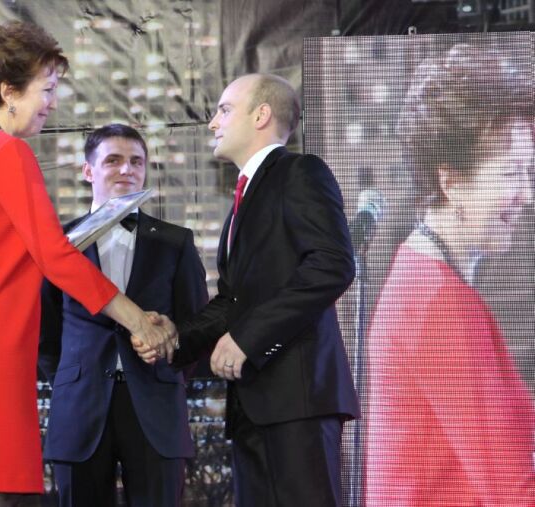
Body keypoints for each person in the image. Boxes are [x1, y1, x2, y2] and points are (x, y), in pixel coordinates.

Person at [0, 22, 173, 507]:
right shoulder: (7, 152)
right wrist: (138, 320)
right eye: (46, 89)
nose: (52, 102)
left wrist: (8, 256)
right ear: (8, 92)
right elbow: (55, 256)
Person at [139, 74, 360, 506]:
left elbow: (332, 264)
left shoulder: (300, 172)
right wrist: (177, 338)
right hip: (252, 405)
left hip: (298, 401)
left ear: (261, 115)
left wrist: (248, 338)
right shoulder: (241, 202)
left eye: (224, 110)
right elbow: (233, 301)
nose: (212, 123)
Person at [364, 43, 535, 505]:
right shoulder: (438, 302)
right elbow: (516, 493)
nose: (527, 194)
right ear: (452, 181)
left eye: (528, 172)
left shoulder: (422, 276)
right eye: (510, 174)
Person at [38, 123, 208, 506]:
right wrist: (73, 378)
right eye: (113, 160)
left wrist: (167, 359)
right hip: (79, 409)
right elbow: (44, 335)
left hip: (156, 407)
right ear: (88, 171)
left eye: (136, 161)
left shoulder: (176, 241)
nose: (126, 169)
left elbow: (196, 327)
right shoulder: (58, 243)